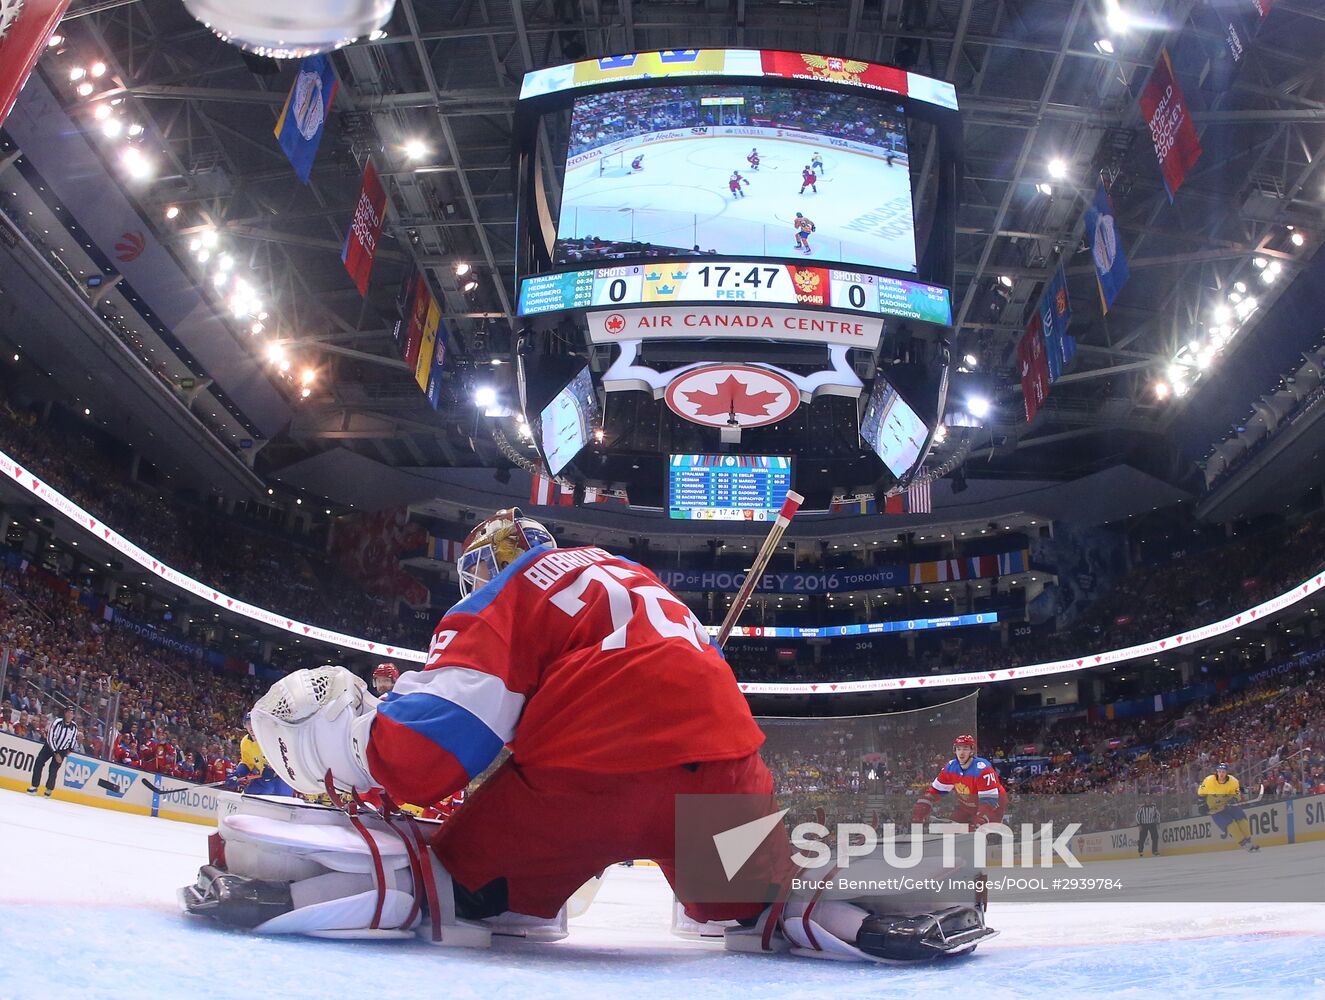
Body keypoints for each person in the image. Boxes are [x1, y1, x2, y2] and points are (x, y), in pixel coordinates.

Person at [183, 509, 992, 962]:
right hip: (723, 769)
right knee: (748, 906)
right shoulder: (639, 581)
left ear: (486, 567)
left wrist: (356, 744)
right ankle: (826, 903)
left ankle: (321, 880)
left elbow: (432, 752)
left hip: (586, 778)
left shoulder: (506, 593)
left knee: (458, 891)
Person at [911, 735, 1007, 829]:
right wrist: (921, 808)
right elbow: (934, 792)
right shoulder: (951, 767)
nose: (961, 752)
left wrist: (979, 819)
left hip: (992, 807)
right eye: (958, 749)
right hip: (966, 807)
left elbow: (990, 801)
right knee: (952, 832)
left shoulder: (982, 769)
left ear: (972, 751)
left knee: (983, 834)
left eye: (965, 748)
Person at [1196, 763, 1259, 852]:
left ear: (1227, 773)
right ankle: (1244, 844)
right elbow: (1201, 793)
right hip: (1215, 809)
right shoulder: (1209, 780)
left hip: (1228, 804)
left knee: (1242, 819)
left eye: (1223, 772)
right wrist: (1201, 805)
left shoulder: (1233, 781)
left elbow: (1237, 794)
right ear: (1216, 772)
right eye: (1219, 771)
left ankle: (1249, 841)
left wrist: (1233, 799)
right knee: (1230, 825)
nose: (1221, 774)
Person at [28, 706, 79, 797]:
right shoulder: (57, 722)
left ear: (73, 715)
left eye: (71, 713)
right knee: (39, 762)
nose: (69, 715)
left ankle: (49, 789)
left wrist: (69, 750)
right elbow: (50, 737)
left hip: (62, 750)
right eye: (68, 712)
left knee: (53, 769)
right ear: (65, 713)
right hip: (50, 746)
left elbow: (73, 739)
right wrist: (55, 753)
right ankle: (34, 786)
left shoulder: (74, 726)